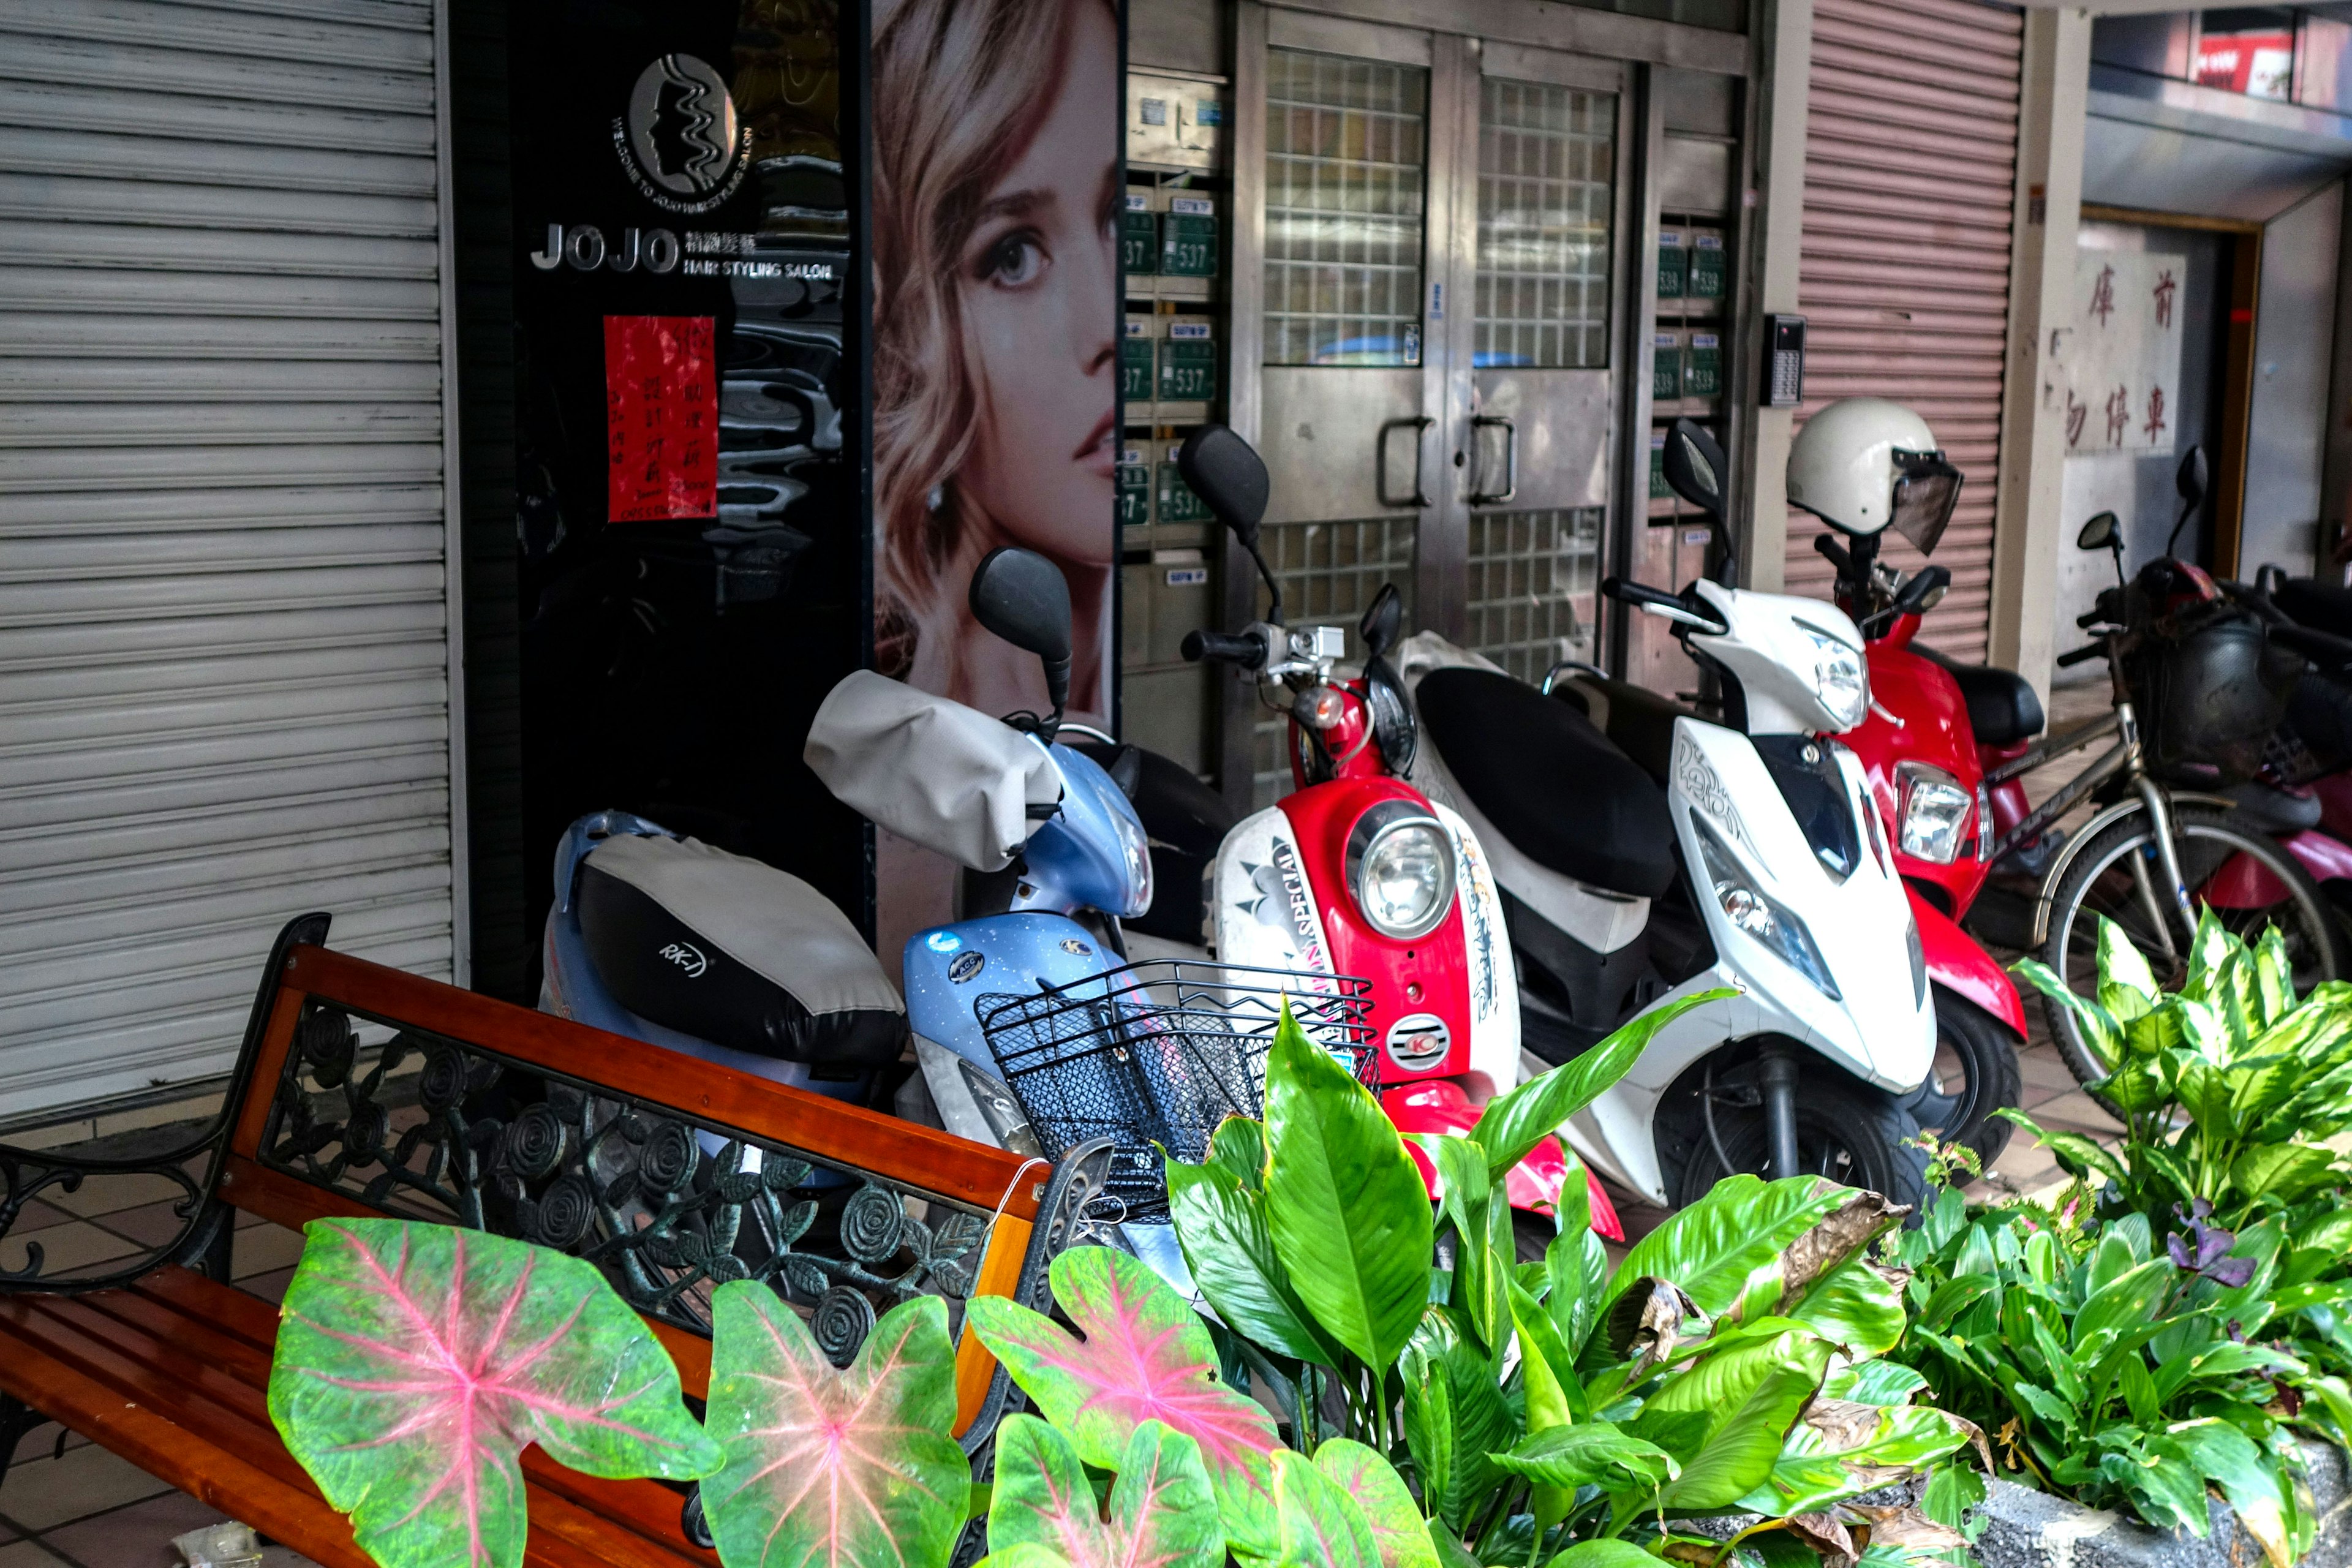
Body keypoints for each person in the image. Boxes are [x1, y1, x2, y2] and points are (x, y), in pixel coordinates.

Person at [870, 0, 1119, 722]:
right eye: (1012, 256)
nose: (1107, 326)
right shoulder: (927, 776)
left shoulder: (1095, 692)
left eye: (1118, 219)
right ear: (914, 333)